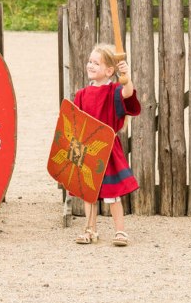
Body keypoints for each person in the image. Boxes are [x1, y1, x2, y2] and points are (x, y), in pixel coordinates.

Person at [72, 44, 141, 247]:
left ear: (109, 71)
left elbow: (128, 94)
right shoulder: (82, 95)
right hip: (86, 149)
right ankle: (90, 229)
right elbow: (75, 124)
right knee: (89, 192)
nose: (90, 65)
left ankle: (120, 231)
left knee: (112, 194)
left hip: (107, 148)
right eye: (90, 61)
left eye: (96, 63)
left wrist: (126, 76)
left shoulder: (114, 91)